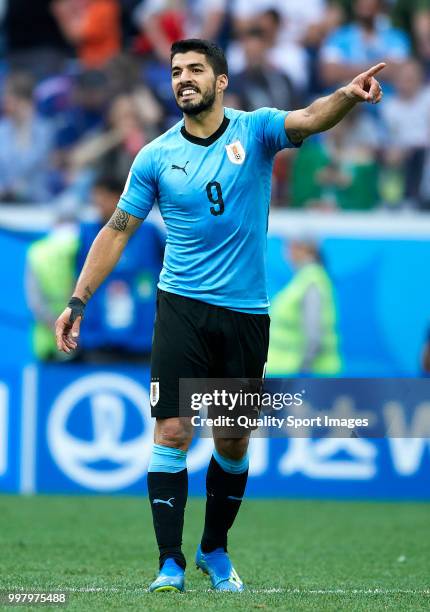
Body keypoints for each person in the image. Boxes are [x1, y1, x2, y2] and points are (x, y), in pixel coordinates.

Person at [55, 38, 384, 593]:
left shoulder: (254, 131)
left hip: (244, 314)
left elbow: (308, 117)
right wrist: (78, 300)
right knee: (174, 429)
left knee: (233, 440)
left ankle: (214, 548)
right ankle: (169, 563)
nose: (183, 78)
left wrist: (347, 96)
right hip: (180, 307)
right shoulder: (155, 155)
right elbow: (116, 232)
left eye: (195, 70)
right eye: (176, 70)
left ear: (221, 80)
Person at [28, 175, 163, 362]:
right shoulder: (84, 233)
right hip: (96, 340)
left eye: (103, 198)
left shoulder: (150, 234)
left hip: (143, 339)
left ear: (120, 197)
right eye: (95, 199)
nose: (98, 205)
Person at [266, 236, 342, 375]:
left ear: (305, 249)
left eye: (292, 246)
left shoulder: (312, 281)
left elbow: (314, 334)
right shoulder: (305, 279)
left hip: (303, 373)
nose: (287, 252)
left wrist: (304, 369)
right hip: (288, 371)